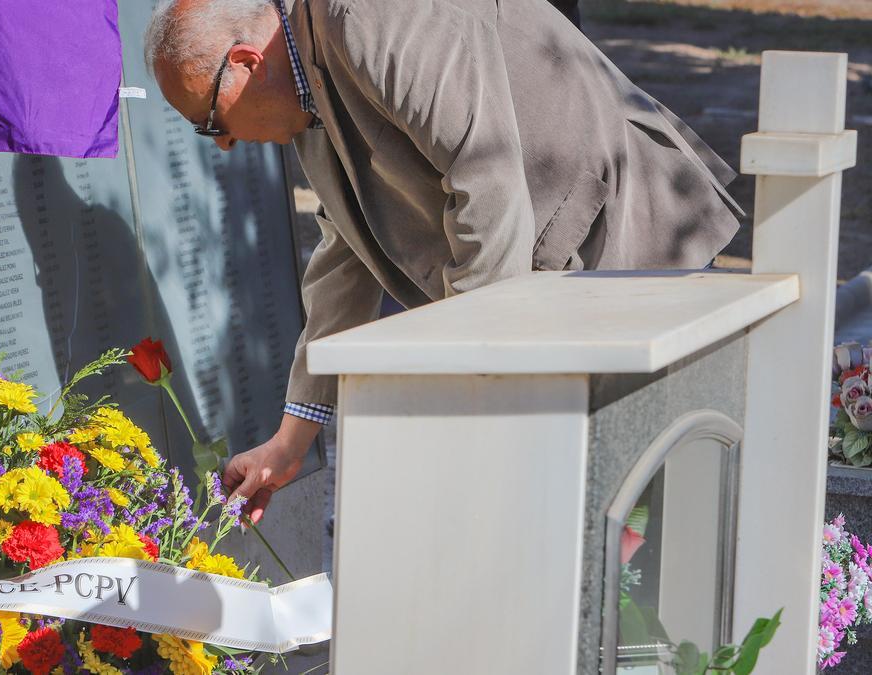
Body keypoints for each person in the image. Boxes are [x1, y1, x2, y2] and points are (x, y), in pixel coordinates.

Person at [145, 0, 741, 522]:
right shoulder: (299, 84)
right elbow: (345, 254)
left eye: (209, 122)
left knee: (653, 523)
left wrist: (467, 393)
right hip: (552, 290)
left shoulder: (366, 17)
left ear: (248, 63)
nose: (222, 143)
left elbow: (489, 189)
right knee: (591, 535)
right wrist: (291, 439)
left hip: (629, 246)